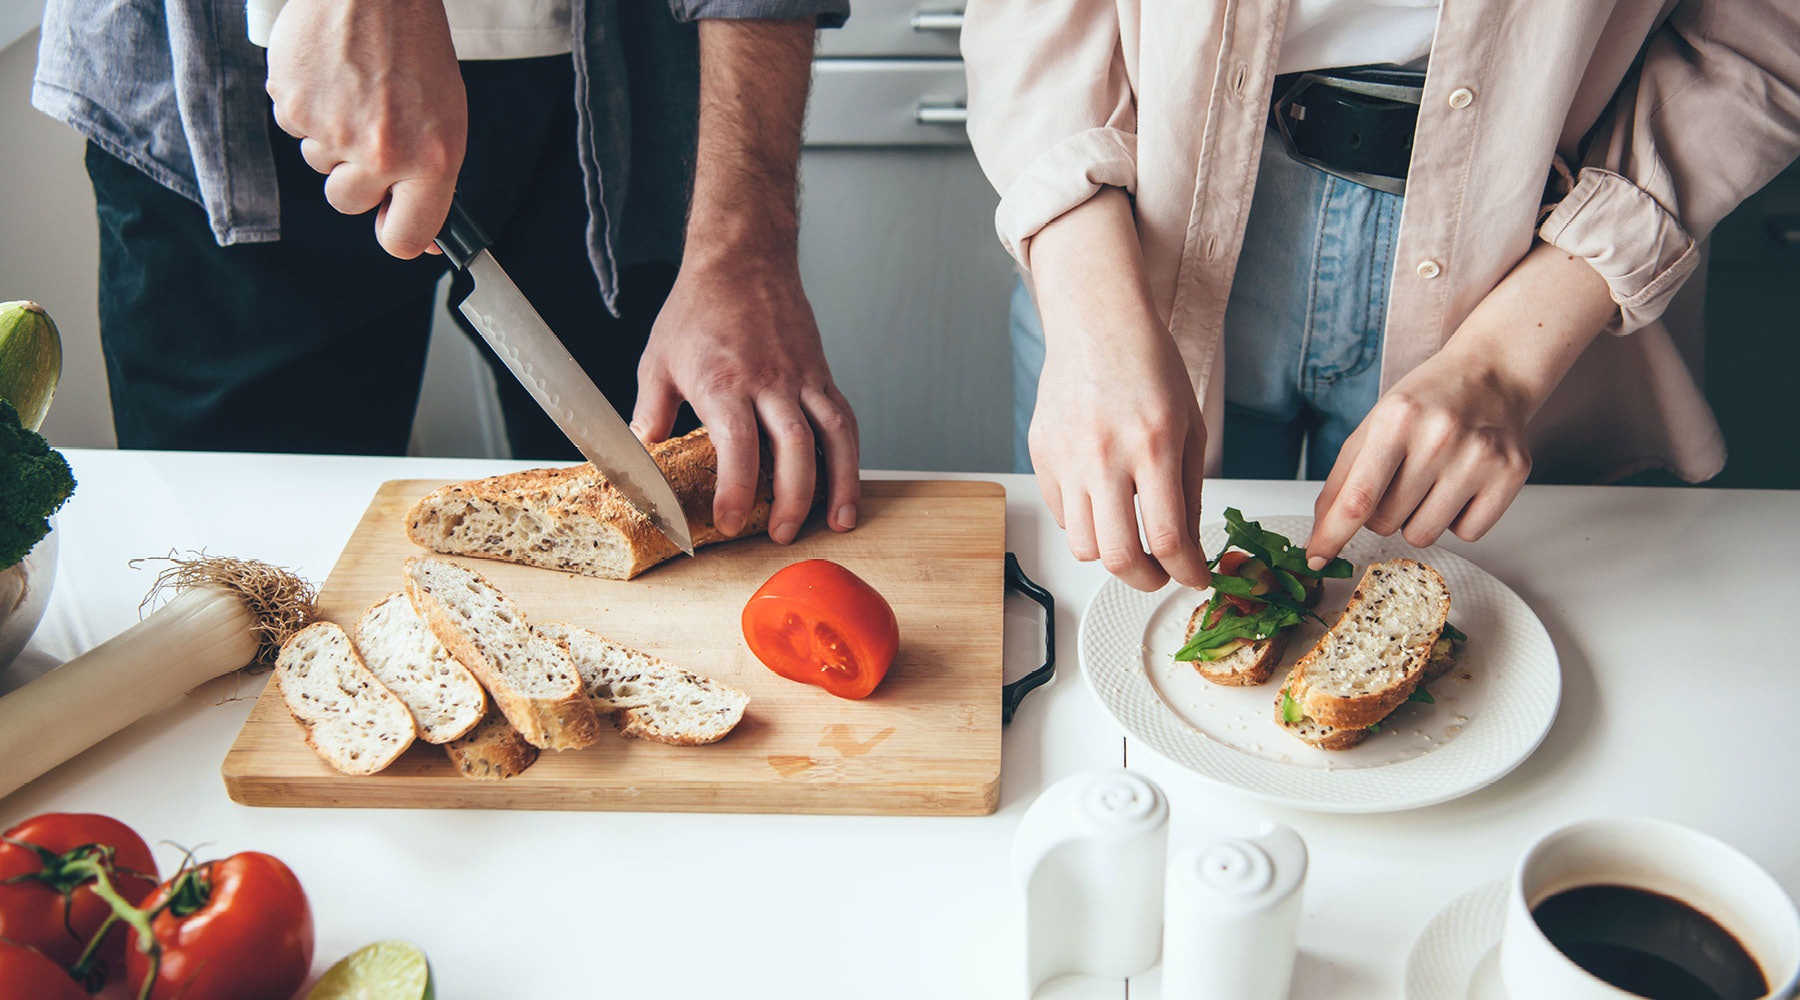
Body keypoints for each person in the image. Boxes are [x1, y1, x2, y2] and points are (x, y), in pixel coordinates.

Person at [963, 1, 1800, 592]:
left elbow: (1766, 33)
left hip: (1533, 260)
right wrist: (1095, 324)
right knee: (1104, 623)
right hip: (1131, 229)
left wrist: (1505, 363)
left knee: (1496, 658)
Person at [32, 0, 861, 546]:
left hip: (628, 81)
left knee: (676, 537)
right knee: (236, 579)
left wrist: (744, 238)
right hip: (226, 82)